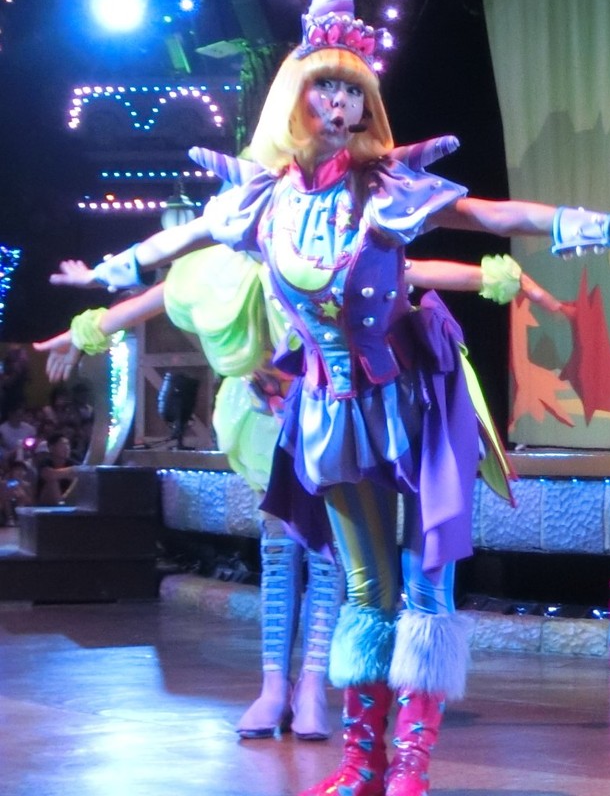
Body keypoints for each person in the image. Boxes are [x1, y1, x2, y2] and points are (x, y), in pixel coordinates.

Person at [53, 0, 610, 796]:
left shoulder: (387, 187)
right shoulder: (264, 200)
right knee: (362, 587)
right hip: (326, 411)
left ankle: (411, 767)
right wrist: (106, 273)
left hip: (407, 408)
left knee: (423, 586)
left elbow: (491, 214)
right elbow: (179, 242)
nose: (340, 103)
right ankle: (360, 764)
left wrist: (603, 226)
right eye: (325, 88)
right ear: (298, 98)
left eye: (353, 91)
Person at [37, 245, 562, 743]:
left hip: (338, 410)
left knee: (333, 557)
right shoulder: (243, 254)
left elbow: (409, 269)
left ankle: (313, 684)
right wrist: (91, 317)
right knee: (279, 548)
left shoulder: (336, 248)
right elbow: (166, 287)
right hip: (275, 419)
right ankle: (273, 686)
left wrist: (501, 277)